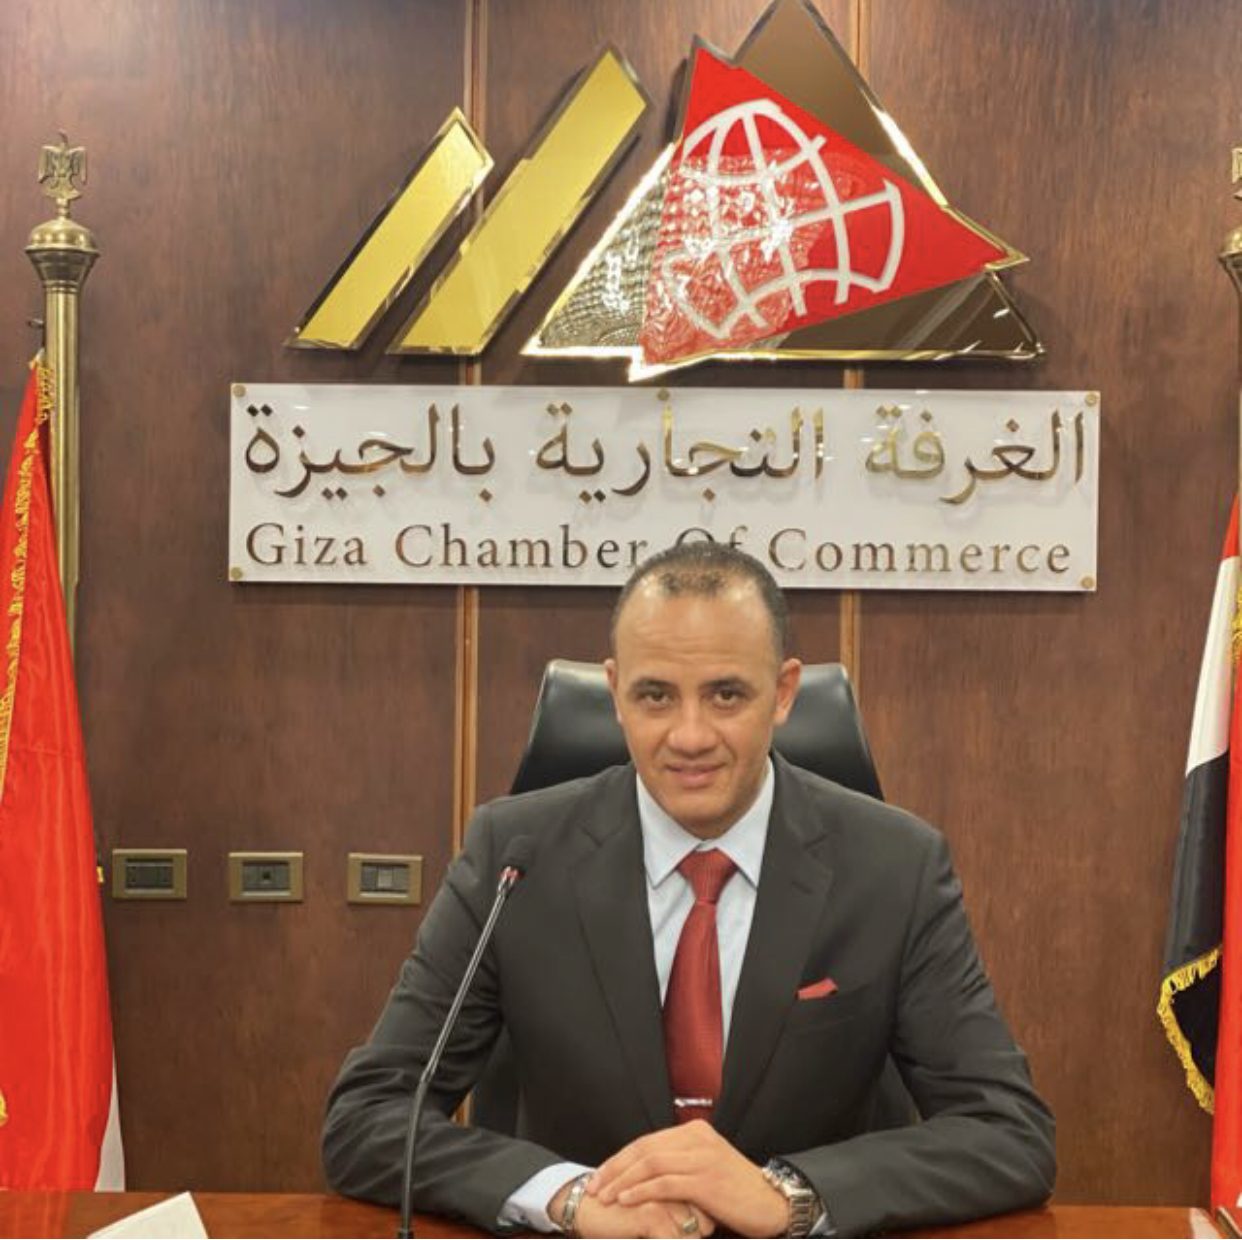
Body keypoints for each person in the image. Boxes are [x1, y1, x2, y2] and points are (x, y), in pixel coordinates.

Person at [323, 541, 1055, 1237]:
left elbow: (1008, 1133)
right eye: (655, 696)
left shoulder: (894, 868)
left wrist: (788, 1195)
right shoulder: (515, 858)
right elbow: (369, 1118)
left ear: (784, 693)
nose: (690, 735)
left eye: (726, 694)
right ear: (615, 693)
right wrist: (571, 1199)